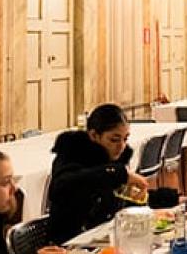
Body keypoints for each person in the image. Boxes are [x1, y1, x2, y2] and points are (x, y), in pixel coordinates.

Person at [47, 103, 178, 244]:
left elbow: (125, 197)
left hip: (105, 238)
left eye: (125, 139)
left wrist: (172, 199)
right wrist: (120, 174)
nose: (121, 146)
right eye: (114, 139)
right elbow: (64, 186)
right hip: (71, 243)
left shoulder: (115, 160)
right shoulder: (71, 154)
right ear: (94, 135)